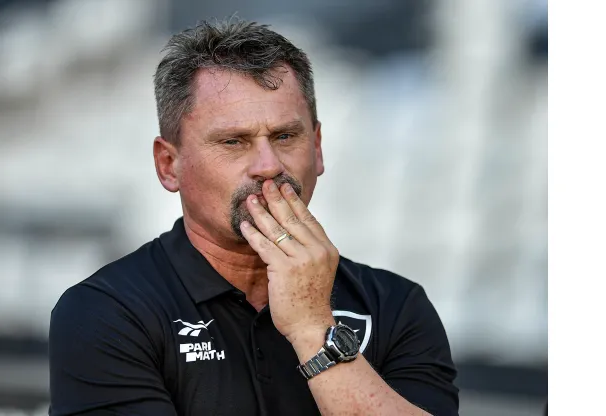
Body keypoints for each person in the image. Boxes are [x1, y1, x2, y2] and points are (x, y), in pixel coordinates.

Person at [49, 18, 458, 416]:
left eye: (285, 136)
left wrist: (314, 330)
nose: (268, 165)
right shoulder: (106, 312)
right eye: (233, 141)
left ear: (317, 148)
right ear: (168, 165)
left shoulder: (398, 307)